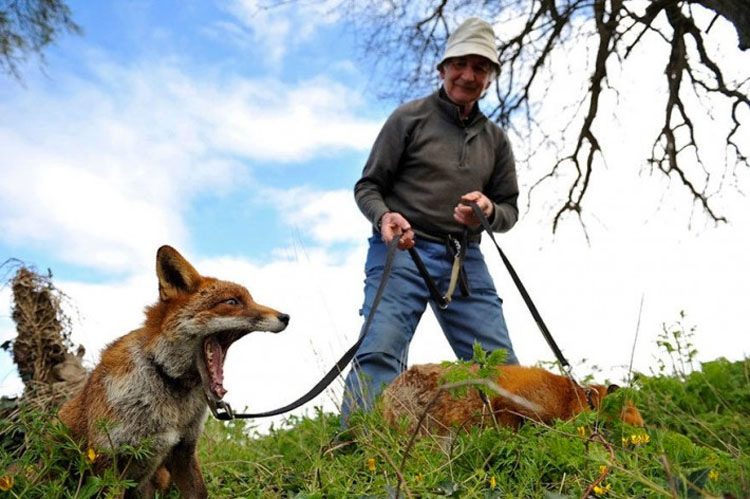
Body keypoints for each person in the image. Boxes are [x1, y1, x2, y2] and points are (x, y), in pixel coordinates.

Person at [341, 17, 520, 421]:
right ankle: (353, 452)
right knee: (380, 350)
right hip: (403, 251)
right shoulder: (409, 118)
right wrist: (385, 216)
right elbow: (367, 186)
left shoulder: (496, 140)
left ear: (489, 77)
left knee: (501, 365)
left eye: (480, 67)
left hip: (464, 260)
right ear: (442, 68)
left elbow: (509, 209)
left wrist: (488, 212)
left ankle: (515, 457)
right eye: (460, 64)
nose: (468, 75)